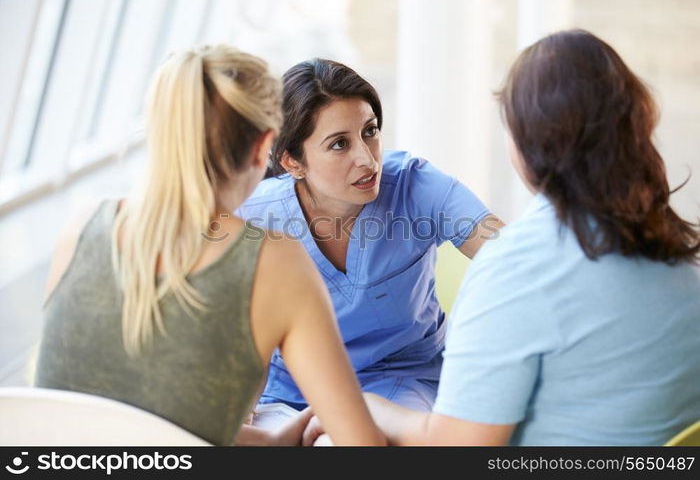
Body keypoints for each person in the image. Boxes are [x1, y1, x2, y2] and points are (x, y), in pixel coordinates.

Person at [304, 29, 700, 446]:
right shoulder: (677, 258)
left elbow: (456, 448)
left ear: (527, 144)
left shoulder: (515, 272)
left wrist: (367, 406)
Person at [34, 45, 385, 446]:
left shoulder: (81, 227)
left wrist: (268, 444)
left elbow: (122, 419)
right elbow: (363, 447)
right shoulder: (273, 260)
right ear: (264, 148)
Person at [237, 58, 503, 414]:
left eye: (370, 131)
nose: (367, 159)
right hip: (290, 391)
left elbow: (510, 256)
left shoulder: (416, 187)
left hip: (398, 381)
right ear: (292, 162)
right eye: (338, 144)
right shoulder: (254, 216)